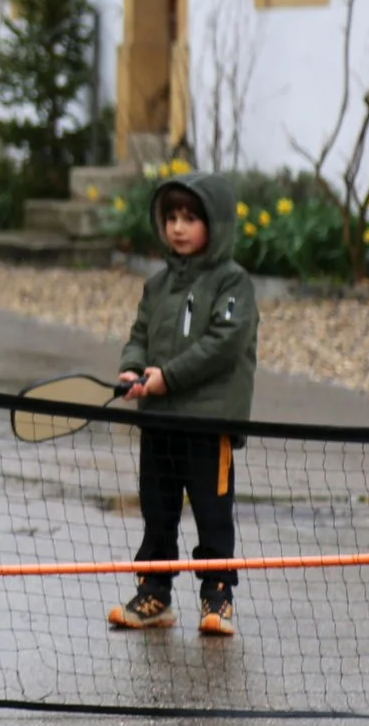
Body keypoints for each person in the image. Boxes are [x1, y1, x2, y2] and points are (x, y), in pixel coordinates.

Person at [108, 172, 258, 636]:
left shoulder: (233, 283)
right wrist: (133, 368)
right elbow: (139, 335)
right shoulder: (157, 286)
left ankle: (218, 598)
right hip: (159, 424)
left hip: (208, 424)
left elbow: (224, 343)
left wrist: (166, 379)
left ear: (214, 224)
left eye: (190, 218)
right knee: (158, 512)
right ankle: (154, 594)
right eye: (171, 217)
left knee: (213, 517)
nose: (178, 227)